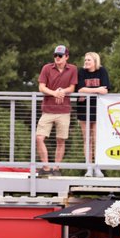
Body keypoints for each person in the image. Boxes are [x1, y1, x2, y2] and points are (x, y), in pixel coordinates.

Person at [36, 44, 77, 174]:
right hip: (48, 109)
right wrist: (54, 93)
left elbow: (72, 88)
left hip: (64, 111)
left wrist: (62, 91)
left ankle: (56, 168)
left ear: (66, 57)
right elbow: (41, 87)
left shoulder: (73, 69)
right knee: (39, 138)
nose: (57, 58)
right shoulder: (46, 68)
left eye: (60, 55)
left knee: (61, 140)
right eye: (55, 55)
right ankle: (46, 167)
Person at [75, 52, 110, 169]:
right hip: (83, 108)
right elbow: (80, 90)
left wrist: (88, 90)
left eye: (89, 60)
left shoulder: (102, 71)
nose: (86, 62)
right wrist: (97, 89)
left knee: (96, 138)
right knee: (87, 139)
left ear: (95, 61)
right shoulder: (81, 72)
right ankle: (88, 166)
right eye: (85, 60)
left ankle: (97, 165)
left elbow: (105, 90)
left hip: (97, 109)